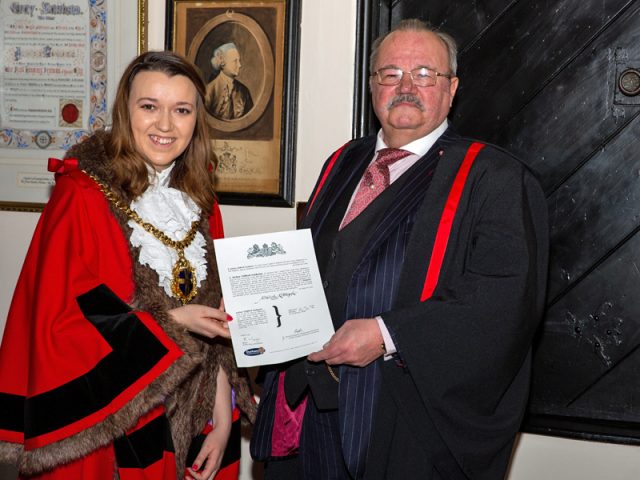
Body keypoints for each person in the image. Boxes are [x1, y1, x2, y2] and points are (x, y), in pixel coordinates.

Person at [251, 19, 548, 480]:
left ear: (451, 89)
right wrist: (254, 309)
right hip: (306, 414)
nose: (406, 87)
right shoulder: (342, 161)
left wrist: (386, 334)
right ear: (373, 86)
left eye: (425, 74)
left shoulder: (494, 179)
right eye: (390, 74)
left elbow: (503, 304)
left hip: (400, 422)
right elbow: (311, 267)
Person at [0, 51, 256, 479]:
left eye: (182, 110)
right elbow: (60, 328)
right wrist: (173, 321)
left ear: (197, 120)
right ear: (125, 111)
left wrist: (222, 420)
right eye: (149, 106)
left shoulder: (202, 202)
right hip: (112, 430)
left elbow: (216, 326)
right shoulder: (81, 196)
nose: (165, 125)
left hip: (192, 422)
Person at [205, 43, 254, 120]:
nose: (240, 65)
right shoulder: (209, 90)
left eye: (239, 61)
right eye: (235, 61)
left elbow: (250, 120)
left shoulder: (244, 91)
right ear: (222, 63)